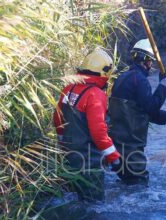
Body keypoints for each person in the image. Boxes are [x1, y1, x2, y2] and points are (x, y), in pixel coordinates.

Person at [108, 39, 166, 185]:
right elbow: (151, 107)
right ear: (146, 61)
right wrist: (163, 84)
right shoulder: (140, 80)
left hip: (117, 143)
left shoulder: (122, 77)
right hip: (131, 145)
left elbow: (139, 111)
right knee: (139, 184)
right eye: (151, 62)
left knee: (127, 183)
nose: (151, 66)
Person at [53, 48, 121, 201]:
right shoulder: (96, 94)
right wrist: (113, 156)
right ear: (104, 74)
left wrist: (62, 143)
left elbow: (57, 119)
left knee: (74, 200)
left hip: (69, 159)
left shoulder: (68, 89)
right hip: (89, 161)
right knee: (94, 205)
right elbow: (98, 132)